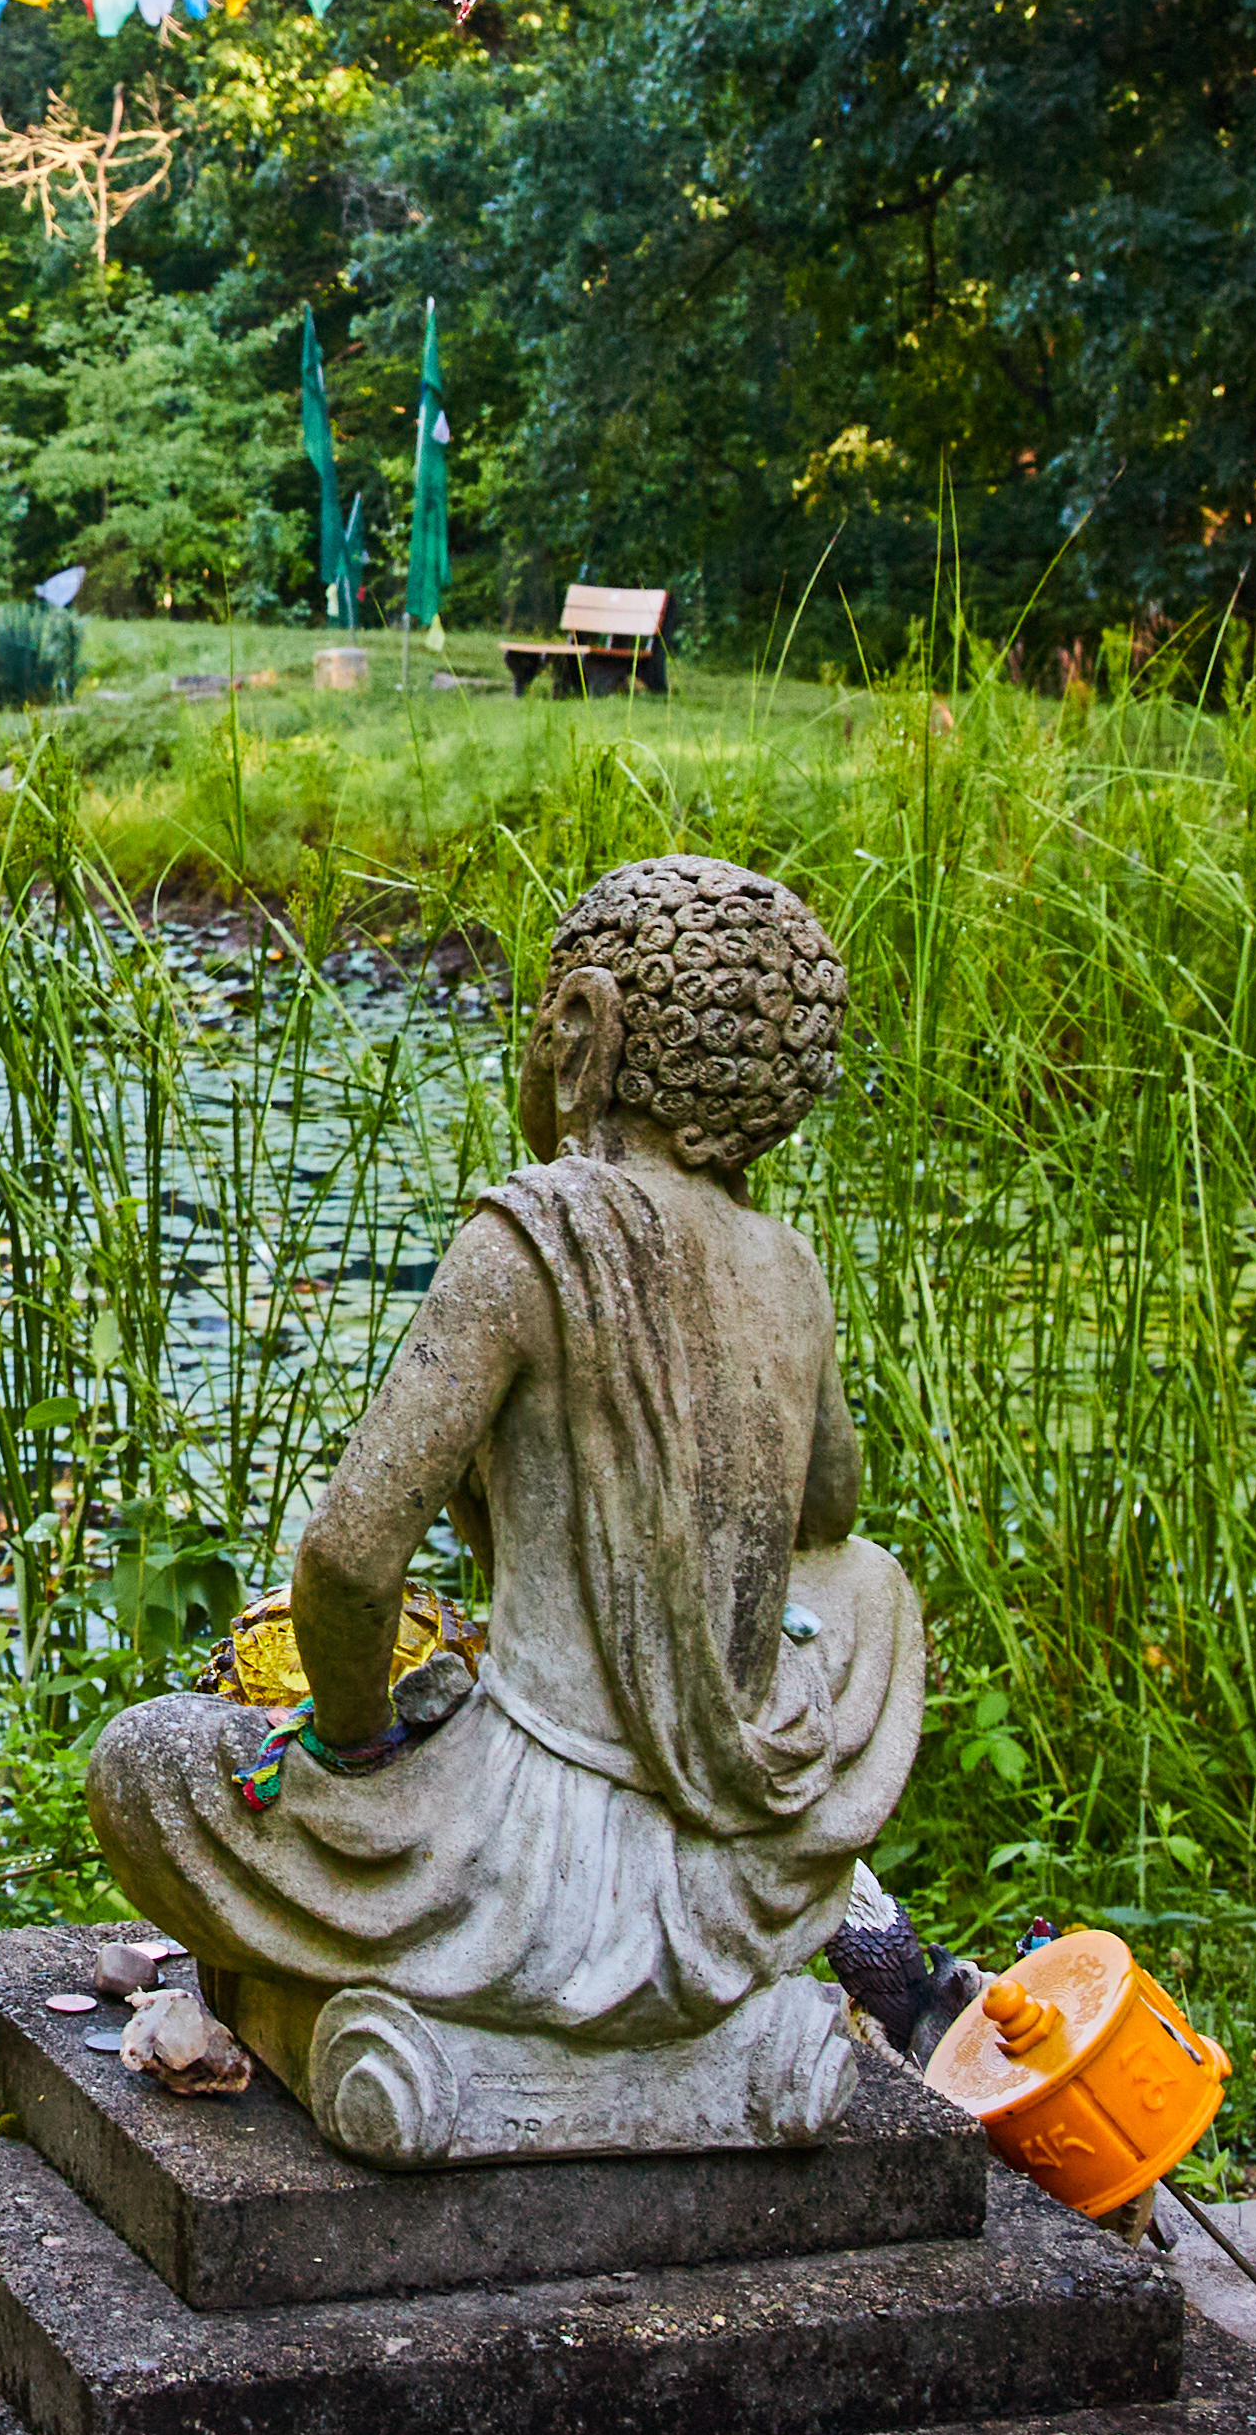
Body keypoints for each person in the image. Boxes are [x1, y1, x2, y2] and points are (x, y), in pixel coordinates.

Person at [86, 854, 925, 2163]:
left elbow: (353, 1561)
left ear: (582, 1030)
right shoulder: (790, 1266)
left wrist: (356, 1752)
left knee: (145, 1763)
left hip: (515, 1885)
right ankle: (712, 2066)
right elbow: (826, 1514)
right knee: (864, 1582)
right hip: (729, 1893)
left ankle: (456, 2055)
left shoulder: (530, 1238)